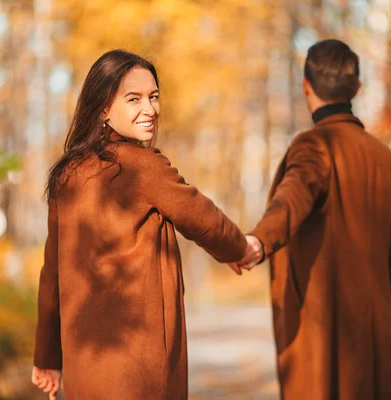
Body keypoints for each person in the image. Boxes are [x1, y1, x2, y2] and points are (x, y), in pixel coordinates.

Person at [31, 50, 248, 400]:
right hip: (139, 369)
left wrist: (47, 357)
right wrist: (242, 248)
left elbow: (51, 275)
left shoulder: (66, 174)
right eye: (134, 99)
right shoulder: (142, 166)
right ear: (104, 108)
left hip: (85, 365)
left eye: (154, 96)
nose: (150, 109)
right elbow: (203, 219)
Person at [234, 39, 391, 399]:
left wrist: (258, 241)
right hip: (375, 334)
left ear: (305, 86)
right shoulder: (388, 161)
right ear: (357, 88)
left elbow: (292, 196)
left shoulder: (315, 146)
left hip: (320, 336)